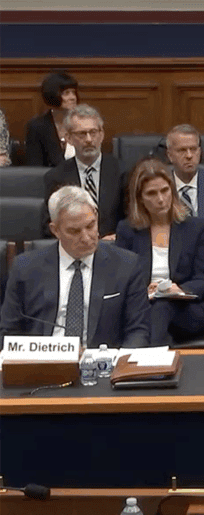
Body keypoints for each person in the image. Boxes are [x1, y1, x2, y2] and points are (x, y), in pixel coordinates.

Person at [0, 186, 150, 348]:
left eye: (90, 226)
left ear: (96, 216)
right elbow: (9, 332)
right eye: (74, 231)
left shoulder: (126, 265)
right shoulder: (25, 268)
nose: (86, 238)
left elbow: (138, 331)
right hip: (43, 363)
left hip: (103, 365)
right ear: (55, 230)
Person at [115, 159, 204, 346]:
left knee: (161, 307)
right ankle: (160, 351)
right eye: (152, 194)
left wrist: (178, 290)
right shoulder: (127, 230)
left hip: (187, 309)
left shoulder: (195, 228)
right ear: (139, 199)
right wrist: (143, 291)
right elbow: (121, 280)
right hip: (143, 306)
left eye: (164, 190)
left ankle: (147, 359)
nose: (161, 199)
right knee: (153, 311)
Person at [42, 104, 123, 239]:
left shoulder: (122, 171)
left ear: (101, 134)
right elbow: (49, 224)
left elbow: (133, 218)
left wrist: (117, 236)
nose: (89, 140)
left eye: (93, 132)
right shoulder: (56, 177)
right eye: (81, 134)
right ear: (68, 138)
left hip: (113, 246)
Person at [25, 70, 79, 167]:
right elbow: (34, 166)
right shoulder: (37, 127)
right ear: (53, 95)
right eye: (66, 93)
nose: (73, 97)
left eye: (73, 93)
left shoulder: (83, 123)